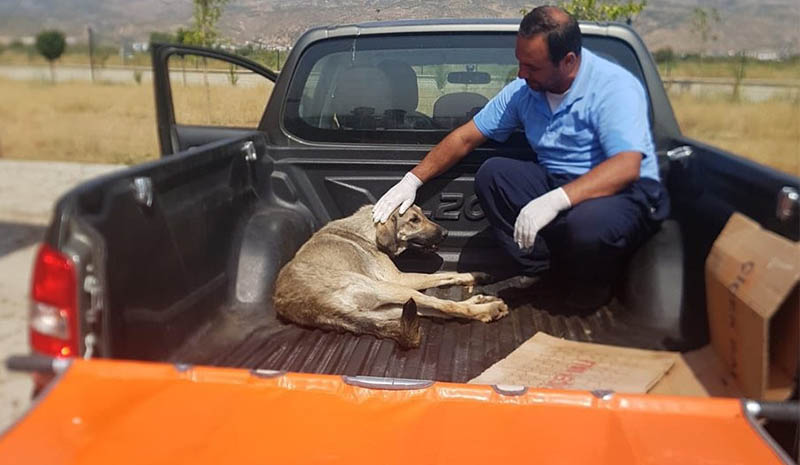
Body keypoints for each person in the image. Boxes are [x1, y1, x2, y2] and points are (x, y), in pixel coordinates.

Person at [372, 5, 669, 312]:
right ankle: (544, 273)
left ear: (568, 61)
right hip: (561, 179)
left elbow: (627, 164)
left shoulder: (613, 88)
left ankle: (590, 288)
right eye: (519, 62)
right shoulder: (523, 92)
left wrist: (555, 200)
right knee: (494, 174)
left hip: (623, 189)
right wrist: (412, 180)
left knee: (587, 223)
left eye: (532, 67)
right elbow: (465, 138)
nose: (521, 73)